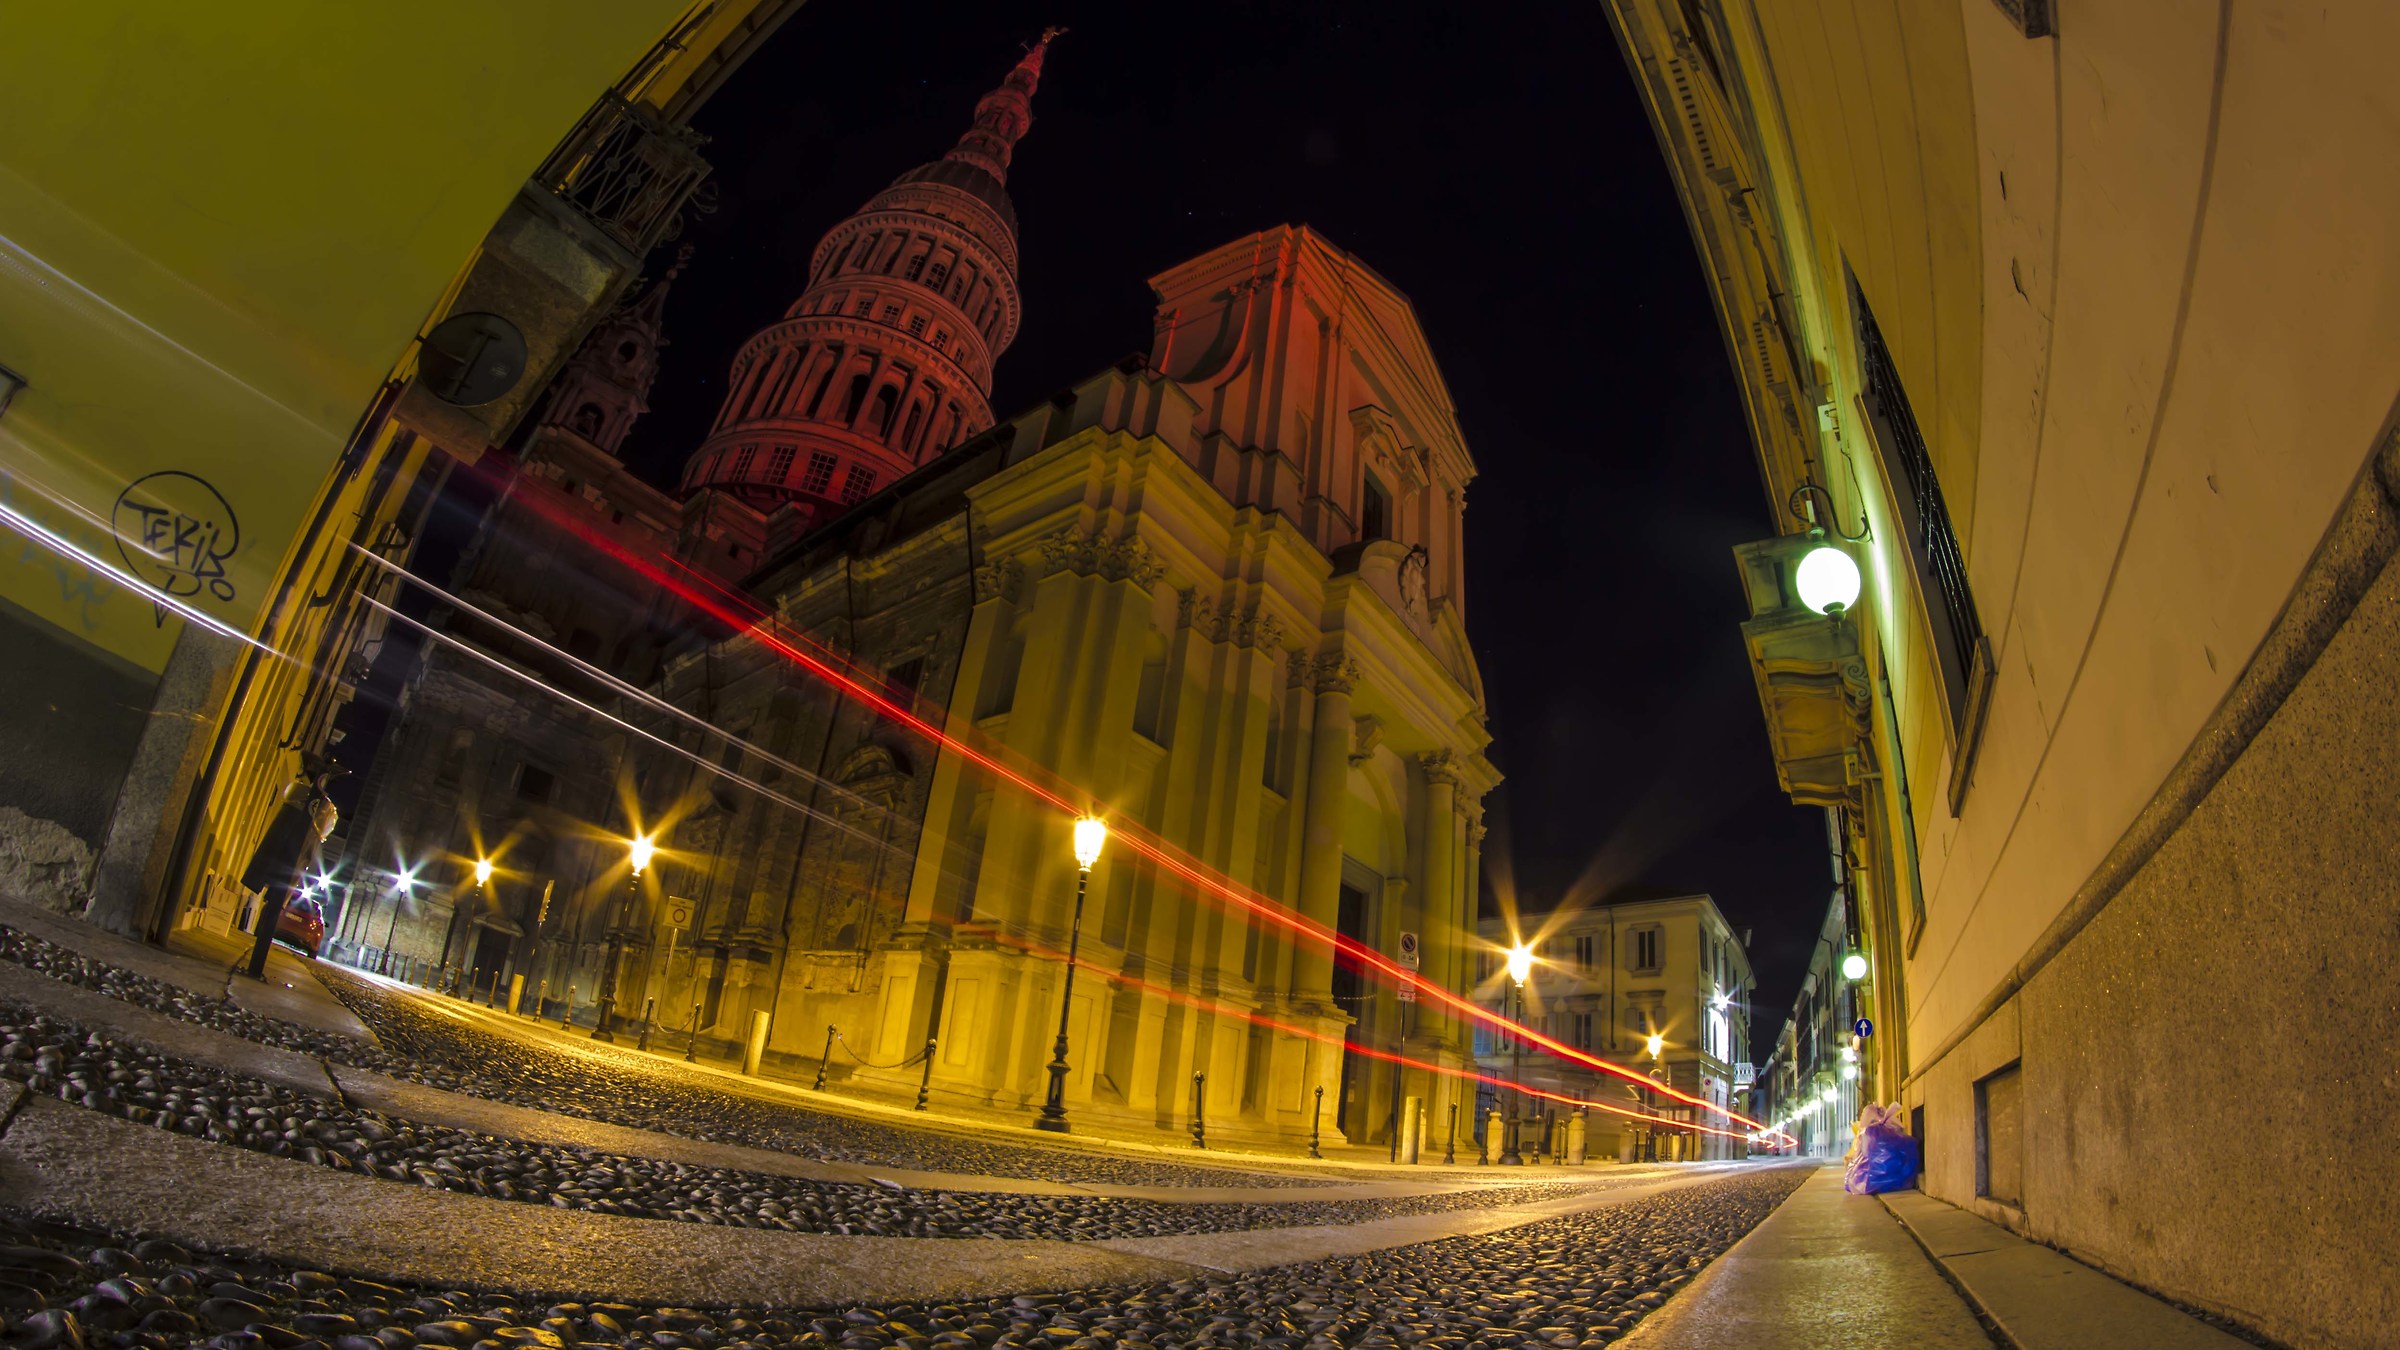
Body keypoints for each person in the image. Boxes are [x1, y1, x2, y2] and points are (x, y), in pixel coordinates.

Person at [238, 764, 341, 979]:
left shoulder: (316, 805)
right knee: (275, 901)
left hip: (286, 862)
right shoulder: (318, 807)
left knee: (274, 903)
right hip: (286, 862)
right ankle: (255, 967)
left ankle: (256, 965)